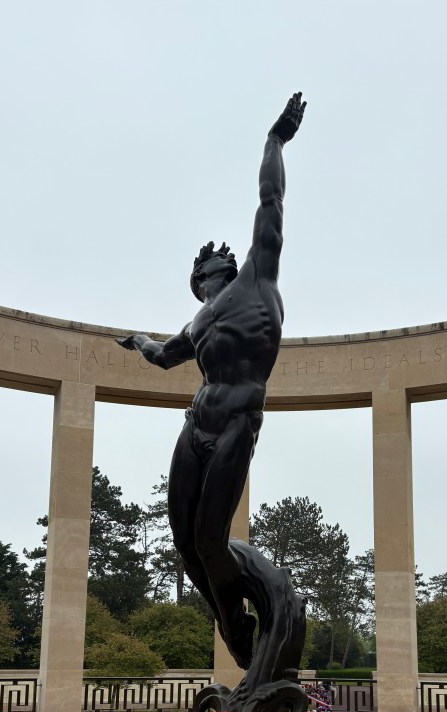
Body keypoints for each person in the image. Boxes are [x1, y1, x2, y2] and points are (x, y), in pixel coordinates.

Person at [117, 94, 306, 671]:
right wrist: (138, 340)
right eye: (198, 273)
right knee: (184, 541)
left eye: (206, 268)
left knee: (209, 539)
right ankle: (229, 616)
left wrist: (275, 141)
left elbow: (271, 201)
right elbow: (162, 357)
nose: (204, 273)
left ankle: (236, 619)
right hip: (196, 424)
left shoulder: (257, 279)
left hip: (237, 422)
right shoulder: (197, 323)